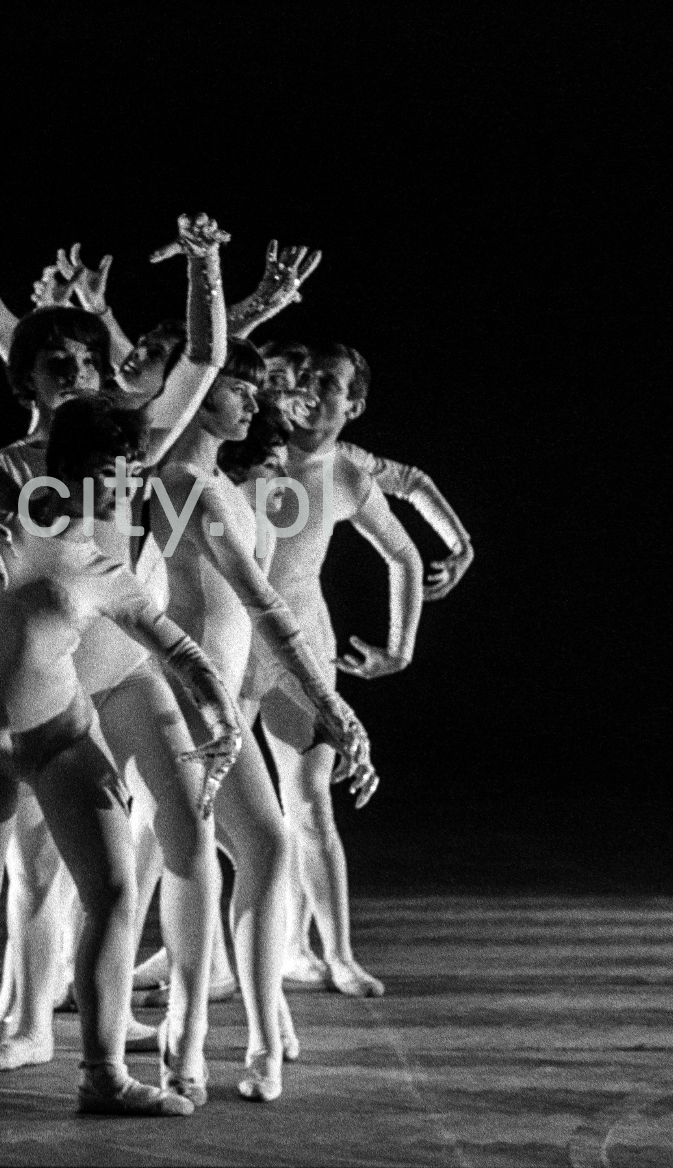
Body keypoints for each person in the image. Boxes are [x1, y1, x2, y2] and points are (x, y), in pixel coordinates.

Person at [0, 395, 245, 1117]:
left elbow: (179, 649)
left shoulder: (99, 566)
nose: (129, 485)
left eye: (133, 472)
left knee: (110, 894)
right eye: (117, 471)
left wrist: (224, 719)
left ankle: (102, 1071)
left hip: (61, 742)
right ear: (80, 468)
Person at [144, 338, 378, 1101]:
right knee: (192, 857)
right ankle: (188, 1037)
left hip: (216, 699)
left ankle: (262, 1025)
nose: (256, 401)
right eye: (239, 388)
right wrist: (332, 702)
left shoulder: (226, 482)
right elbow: (261, 605)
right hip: (177, 698)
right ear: (200, 392)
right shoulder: (184, 480)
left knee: (265, 845)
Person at [248, 340, 426, 998]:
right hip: (230, 645)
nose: (307, 389)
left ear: (352, 403)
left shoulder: (347, 474)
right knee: (199, 805)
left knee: (310, 805)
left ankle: (333, 952)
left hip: (302, 648)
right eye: (297, 378)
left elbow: (403, 556)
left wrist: (399, 644)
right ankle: (224, 952)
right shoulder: (245, 456)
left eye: (326, 382)